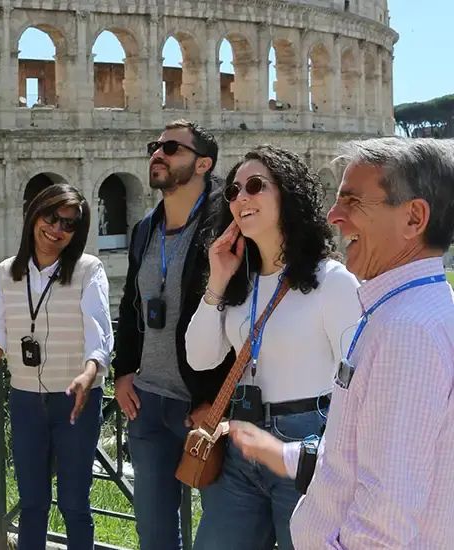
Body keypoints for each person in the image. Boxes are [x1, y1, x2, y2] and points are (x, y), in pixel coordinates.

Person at [229, 137, 454, 548]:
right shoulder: (404, 310)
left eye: (352, 201)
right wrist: (281, 454)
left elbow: (387, 511)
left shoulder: (406, 330)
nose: (334, 215)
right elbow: (368, 450)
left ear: (413, 218)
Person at [185, 145, 362, 550]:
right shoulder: (237, 283)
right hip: (240, 443)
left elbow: (360, 379)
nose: (240, 198)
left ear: (288, 194)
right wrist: (217, 279)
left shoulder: (330, 280)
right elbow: (200, 357)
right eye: (232, 191)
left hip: (303, 441)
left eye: (254, 186)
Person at [0, 183, 113, 549]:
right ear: (34, 215)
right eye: (50, 217)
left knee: (75, 504)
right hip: (26, 399)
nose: (57, 229)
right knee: (32, 504)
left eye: (69, 224)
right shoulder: (4, 274)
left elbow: (99, 331)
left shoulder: (89, 270)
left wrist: (89, 373)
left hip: (76, 400)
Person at [111, 120, 232, 550]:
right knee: (154, 532)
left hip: (203, 407)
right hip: (148, 400)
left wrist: (215, 401)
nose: (158, 154)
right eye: (155, 147)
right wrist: (123, 372)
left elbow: (239, 315)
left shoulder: (227, 226)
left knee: (222, 532)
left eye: (172, 149)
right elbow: (130, 304)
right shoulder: (147, 227)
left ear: (203, 163)